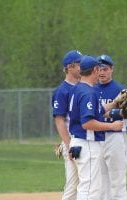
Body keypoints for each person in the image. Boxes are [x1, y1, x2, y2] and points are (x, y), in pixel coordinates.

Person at [68, 55, 123, 200]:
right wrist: (112, 125)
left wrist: (115, 102)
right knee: (89, 189)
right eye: (99, 68)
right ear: (95, 70)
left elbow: (96, 111)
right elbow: (87, 123)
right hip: (87, 144)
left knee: (89, 187)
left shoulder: (78, 88)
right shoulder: (88, 92)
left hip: (79, 142)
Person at [94, 54, 127, 200]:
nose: (102, 72)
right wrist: (110, 112)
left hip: (116, 137)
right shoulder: (91, 89)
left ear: (112, 69)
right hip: (96, 137)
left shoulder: (121, 89)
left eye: (105, 69)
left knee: (117, 180)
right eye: (99, 69)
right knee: (100, 182)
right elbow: (89, 114)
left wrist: (103, 113)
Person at [52, 49, 82, 200]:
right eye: (79, 64)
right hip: (73, 142)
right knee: (78, 183)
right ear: (69, 67)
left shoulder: (81, 87)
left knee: (78, 183)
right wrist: (68, 144)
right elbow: (59, 119)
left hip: (80, 140)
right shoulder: (62, 91)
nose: (82, 67)